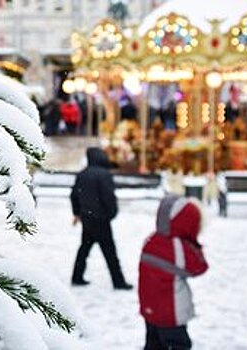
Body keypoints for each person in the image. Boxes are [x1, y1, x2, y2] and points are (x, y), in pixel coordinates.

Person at [138, 195, 208, 350]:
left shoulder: (151, 240)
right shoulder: (179, 247)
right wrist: (194, 244)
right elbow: (200, 267)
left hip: (150, 309)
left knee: (153, 344)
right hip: (171, 314)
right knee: (179, 345)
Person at [70, 147, 132, 290]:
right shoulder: (104, 175)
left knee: (84, 249)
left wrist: (77, 212)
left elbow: (74, 195)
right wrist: (111, 213)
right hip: (101, 219)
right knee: (110, 252)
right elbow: (108, 197)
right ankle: (118, 282)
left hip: (87, 218)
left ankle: (77, 276)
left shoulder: (82, 174)